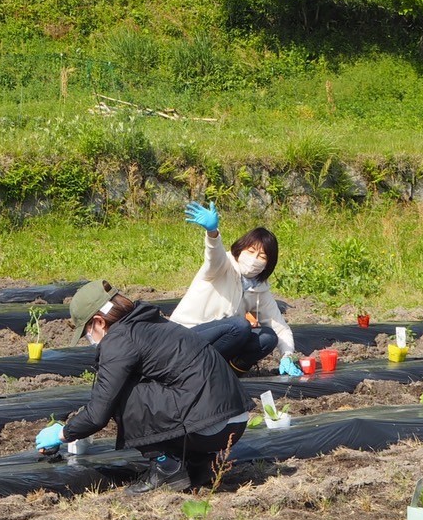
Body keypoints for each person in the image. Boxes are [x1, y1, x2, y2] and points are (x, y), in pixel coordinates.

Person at [34, 280, 251, 493]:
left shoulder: (119, 340)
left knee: (123, 394)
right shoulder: (148, 322)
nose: (88, 339)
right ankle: (199, 463)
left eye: (86, 331)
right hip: (233, 421)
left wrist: (63, 433)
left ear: (99, 322)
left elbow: (99, 413)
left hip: (210, 428)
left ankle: (166, 466)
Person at [168, 201, 302, 377]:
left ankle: (228, 372)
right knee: (240, 325)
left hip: (217, 340)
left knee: (268, 337)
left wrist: (287, 354)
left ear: (268, 264)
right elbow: (214, 256)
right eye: (251, 251)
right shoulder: (223, 266)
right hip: (185, 337)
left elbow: (280, 327)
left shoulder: (258, 289)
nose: (254, 259)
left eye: (262, 256)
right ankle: (196, 370)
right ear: (241, 248)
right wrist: (212, 233)